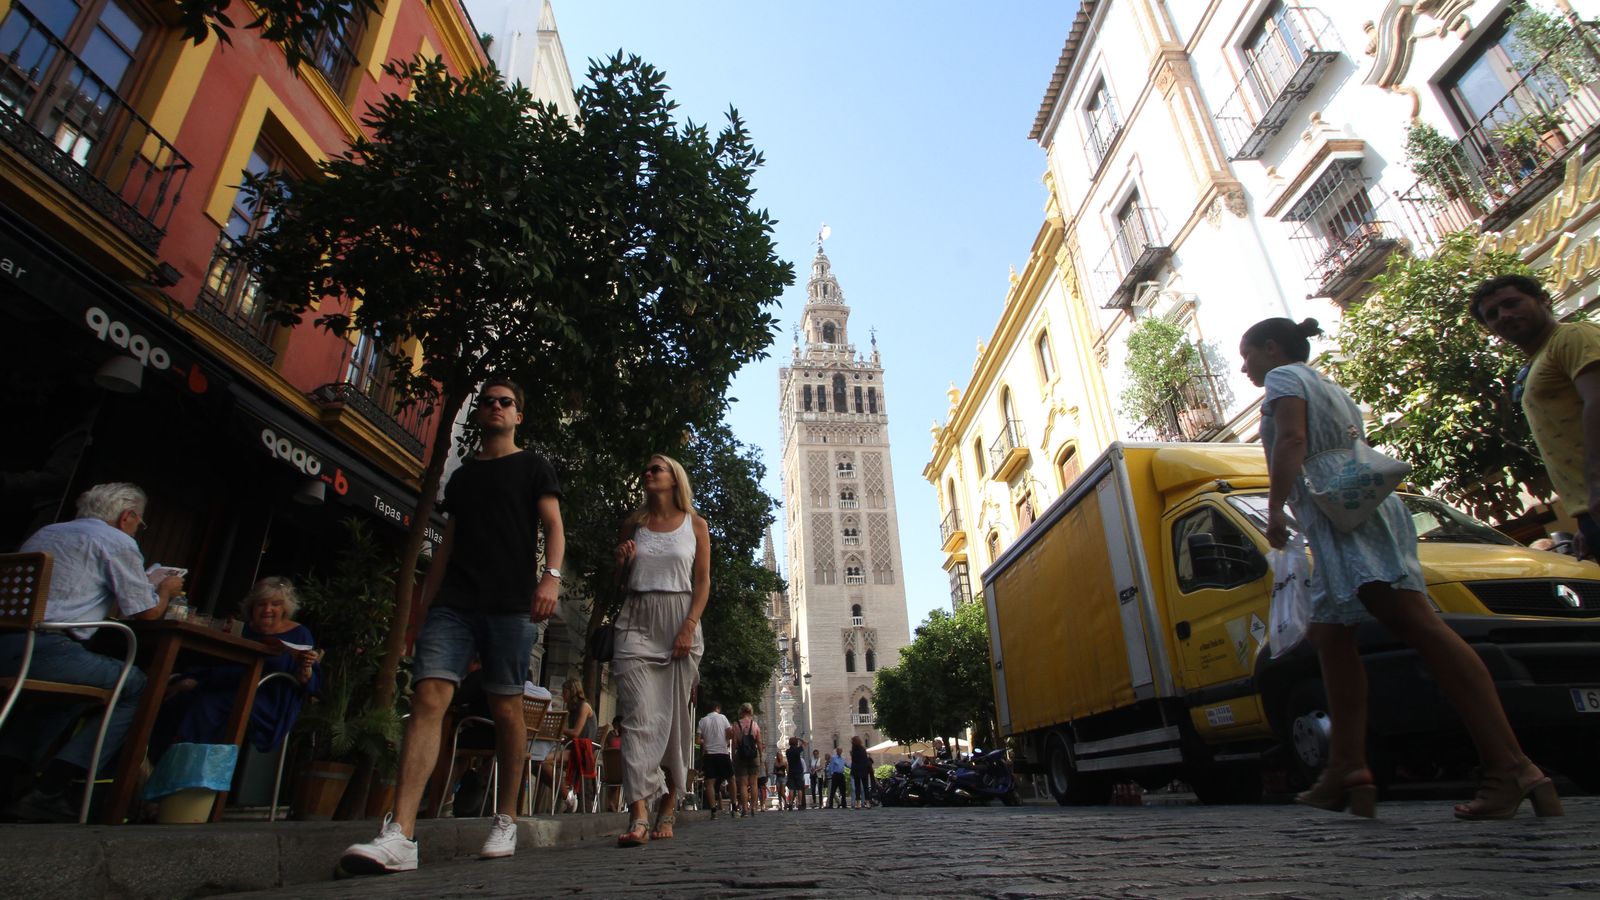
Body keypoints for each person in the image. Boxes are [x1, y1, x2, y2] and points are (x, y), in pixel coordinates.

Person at [1242, 316, 1561, 821]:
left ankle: (1512, 766)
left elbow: (1292, 439)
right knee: (1329, 636)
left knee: (1418, 624)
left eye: (1248, 356)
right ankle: (1347, 767)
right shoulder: (1327, 384)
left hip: (1340, 511)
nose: (1245, 369)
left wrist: (1276, 507)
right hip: (1352, 504)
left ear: (1271, 347)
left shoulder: (1284, 377)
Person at [341, 377, 564, 874]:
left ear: (518, 415)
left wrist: (550, 578)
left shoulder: (533, 466)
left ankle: (506, 818)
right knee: (428, 698)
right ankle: (401, 834)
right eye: (487, 402)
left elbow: (554, 525)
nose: (495, 407)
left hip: (510, 605)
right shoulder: (462, 477)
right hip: (454, 604)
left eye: (505, 402)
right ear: (480, 413)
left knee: (506, 709)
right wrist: (424, 606)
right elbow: (447, 542)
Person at [0, 483, 182, 822]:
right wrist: (166, 590)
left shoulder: (47, 532)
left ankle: (8, 779)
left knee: (72, 695)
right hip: (47, 650)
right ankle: (53, 787)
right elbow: (147, 613)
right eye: (139, 522)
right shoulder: (117, 541)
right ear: (127, 516)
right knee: (136, 685)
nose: (137, 528)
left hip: (8, 644)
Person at [612, 454, 709, 847]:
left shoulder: (696, 525)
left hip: (679, 620)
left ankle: (668, 802)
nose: (648, 473)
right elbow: (620, 582)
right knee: (637, 716)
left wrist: (688, 626)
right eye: (646, 469)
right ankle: (638, 812)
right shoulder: (633, 524)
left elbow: (702, 582)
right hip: (636, 618)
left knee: (673, 721)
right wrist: (622, 563)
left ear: (674, 479)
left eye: (657, 469)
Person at [1470, 274, 1600, 556]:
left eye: (1511, 303)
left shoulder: (1572, 336)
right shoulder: (1541, 359)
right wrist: (1585, 519)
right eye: (1492, 314)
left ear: (1543, 300)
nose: (1504, 315)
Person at [155, 577, 321, 757]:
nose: (267, 609)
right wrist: (195, 679)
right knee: (175, 697)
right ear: (252, 607)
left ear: (285, 609)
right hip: (226, 685)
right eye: (261, 604)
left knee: (207, 704)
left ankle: (187, 762)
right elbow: (220, 662)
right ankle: (156, 758)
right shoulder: (242, 629)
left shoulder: (299, 634)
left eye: (275, 604)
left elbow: (308, 682)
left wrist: (306, 670)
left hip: (267, 698)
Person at [695, 700, 732, 817]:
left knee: (709, 782)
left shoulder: (702, 720)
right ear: (717, 708)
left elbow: (697, 740)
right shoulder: (723, 718)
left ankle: (713, 810)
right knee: (731, 778)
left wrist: (706, 741)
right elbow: (730, 733)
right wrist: (725, 740)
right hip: (722, 752)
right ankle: (735, 807)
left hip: (709, 754)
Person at [727, 702, 762, 818]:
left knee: (743, 784)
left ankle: (745, 810)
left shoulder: (736, 725)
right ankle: (754, 808)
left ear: (741, 711)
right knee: (754, 783)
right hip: (753, 755)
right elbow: (759, 742)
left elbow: (734, 744)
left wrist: (733, 757)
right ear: (751, 711)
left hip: (741, 756)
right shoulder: (755, 725)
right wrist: (760, 755)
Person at [784, 736, 808, 810]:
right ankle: (800, 804)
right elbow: (805, 743)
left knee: (791, 789)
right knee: (799, 789)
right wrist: (799, 738)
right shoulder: (798, 750)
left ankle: (790, 804)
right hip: (798, 771)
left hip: (791, 771)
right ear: (796, 743)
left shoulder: (787, 751)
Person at [849, 736, 872, 810]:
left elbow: (854, 761)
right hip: (864, 770)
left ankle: (858, 803)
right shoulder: (863, 749)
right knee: (865, 787)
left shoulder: (854, 750)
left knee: (857, 787)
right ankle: (867, 803)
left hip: (857, 770)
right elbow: (865, 760)